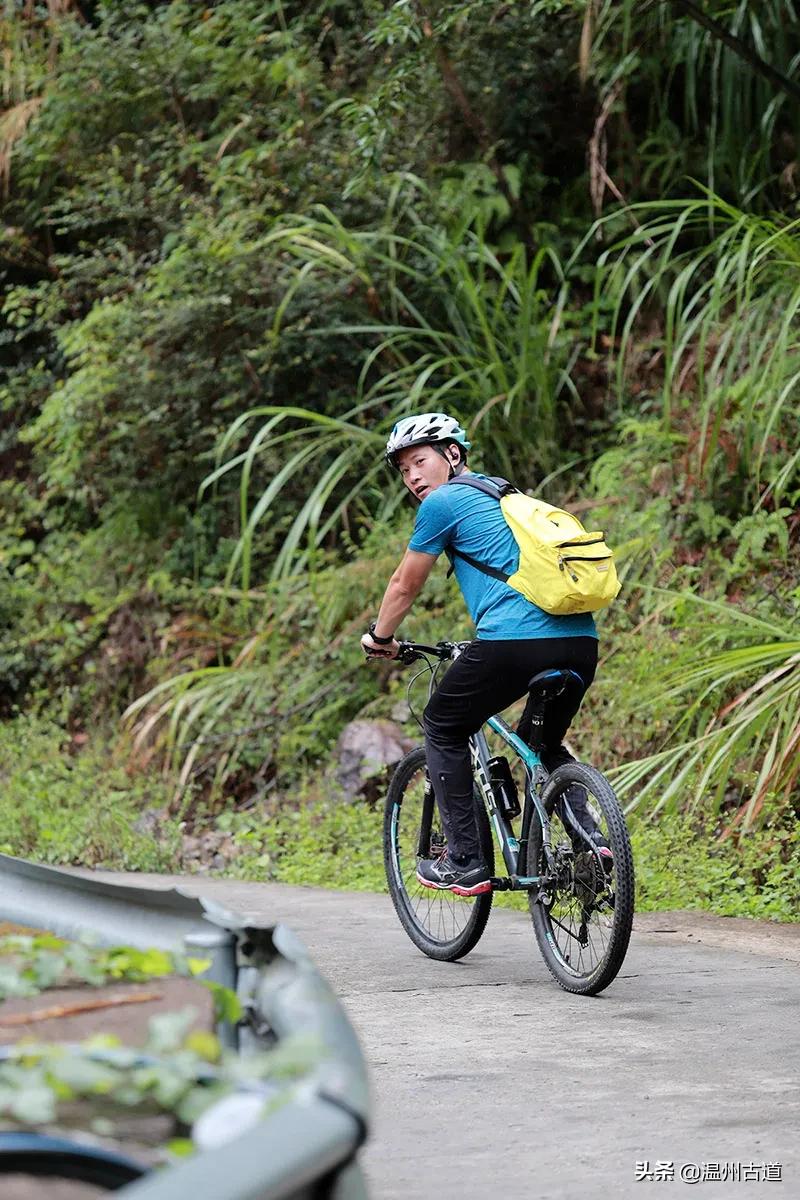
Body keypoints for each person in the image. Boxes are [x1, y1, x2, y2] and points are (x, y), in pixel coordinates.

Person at [361, 412, 610, 895]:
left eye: (419, 462)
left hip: (514, 643)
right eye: (404, 470)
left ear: (453, 455)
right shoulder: (511, 498)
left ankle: (465, 860)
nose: (412, 478)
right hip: (581, 644)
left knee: (443, 725)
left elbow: (404, 584)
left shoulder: (445, 504)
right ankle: (592, 843)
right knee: (541, 744)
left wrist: (381, 637)